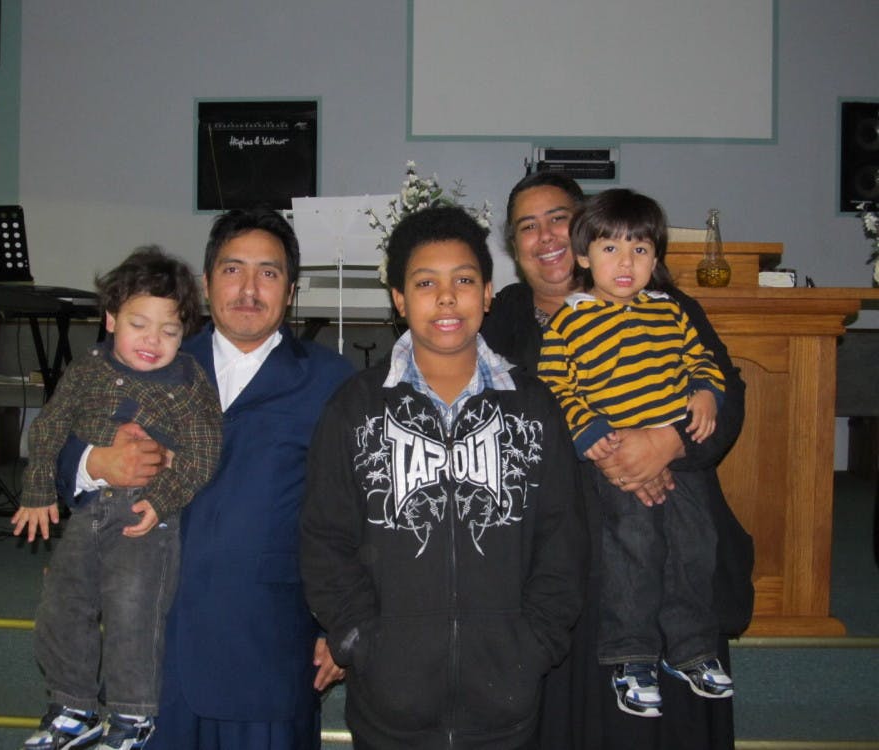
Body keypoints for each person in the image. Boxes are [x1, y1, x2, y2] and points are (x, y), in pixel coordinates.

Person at [53, 207, 355, 749]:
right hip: (152, 650)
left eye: (269, 272)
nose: (248, 288)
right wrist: (97, 463)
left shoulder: (331, 382)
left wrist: (343, 627)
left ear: (291, 291)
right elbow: (60, 451)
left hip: (268, 651)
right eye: (232, 269)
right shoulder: (146, 357)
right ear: (206, 280)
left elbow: (361, 515)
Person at [481, 171, 754, 750]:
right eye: (527, 226)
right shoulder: (499, 320)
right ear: (513, 244)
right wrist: (606, 453)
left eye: (558, 216)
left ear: (584, 225)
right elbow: (497, 429)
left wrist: (669, 443)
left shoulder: (667, 306)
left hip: (671, 542)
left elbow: (725, 395)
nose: (545, 235)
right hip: (565, 561)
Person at [300, 206, 588, 748]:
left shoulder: (533, 407)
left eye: (464, 280)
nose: (448, 297)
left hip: (507, 705)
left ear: (488, 294)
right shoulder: (355, 409)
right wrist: (362, 639)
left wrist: (536, 644)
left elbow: (563, 542)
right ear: (399, 300)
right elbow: (324, 539)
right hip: (389, 708)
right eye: (426, 282)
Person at [12, 246, 223, 750]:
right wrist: (40, 490)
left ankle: (132, 715)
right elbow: (48, 430)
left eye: (169, 331)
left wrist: (163, 498)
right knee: (63, 605)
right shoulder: (86, 371)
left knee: (134, 610)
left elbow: (204, 450)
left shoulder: (188, 382)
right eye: (139, 324)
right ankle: (72, 705)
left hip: (143, 519)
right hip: (88, 511)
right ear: (110, 319)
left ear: (185, 334)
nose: (153, 341)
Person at [538, 189, 733, 719]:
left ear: (656, 258)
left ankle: (692, 649)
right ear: (583, 256)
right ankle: (633, 655)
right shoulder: (569, 322)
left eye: (640, 250)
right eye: (610, 249)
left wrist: (705, 391)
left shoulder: (670, 312)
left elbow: (702, 361)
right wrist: (590, 432)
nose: (626, 263)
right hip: (616, 456)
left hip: (674, 458)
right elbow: (556, 389)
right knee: (636, 549)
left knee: (697, 543)